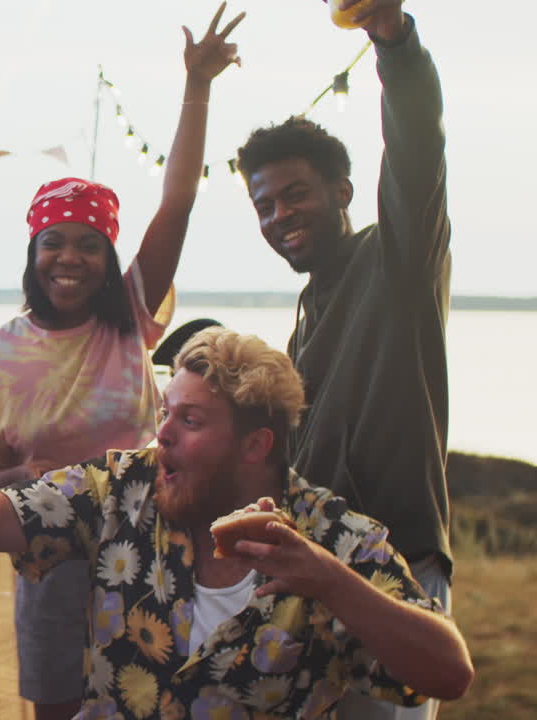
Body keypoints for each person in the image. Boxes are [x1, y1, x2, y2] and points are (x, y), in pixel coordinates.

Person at [0, 328, 474, 719]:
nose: (162, 435)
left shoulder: (333, 541)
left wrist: (333, 584)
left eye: (191, 423)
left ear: (256, 447)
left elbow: (449, 671)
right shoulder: (126, 487)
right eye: (165, 410)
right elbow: (6, 509)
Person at [0, 6, 244, 718]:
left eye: (89, 243)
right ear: (33, 253)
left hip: (150, 545)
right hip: (48, 560)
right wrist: (8, 475)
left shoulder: (130, 320)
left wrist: (196, 86)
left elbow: (177, 199)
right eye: (54, 241)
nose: (70, 258)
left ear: (110, 258)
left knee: (160, 704)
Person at [236, 4, 451, 716]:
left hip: (394, 568)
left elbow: (418, 149)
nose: (279, 216)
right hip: (316, 571)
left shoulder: (395, 261)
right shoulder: (307, 314)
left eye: (294, 194)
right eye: (264, 206)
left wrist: (394, 41)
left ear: (344, 192)